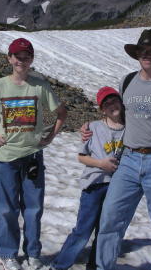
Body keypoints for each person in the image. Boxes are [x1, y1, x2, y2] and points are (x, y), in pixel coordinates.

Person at [82, 29, 151, 270]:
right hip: (129, 160)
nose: (149, 55)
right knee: (110, 218)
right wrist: (91, 128)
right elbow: (122, 118)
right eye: (143, 51)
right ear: (137, 55)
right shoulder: (127, 82)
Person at [0, 38, 67, 270]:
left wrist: (50, 136)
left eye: (26, 56)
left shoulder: (40, 86)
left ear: (31, 59)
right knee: (6, 209)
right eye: (17, 56)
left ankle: (33, 253)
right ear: (9, 58)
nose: (21, 60)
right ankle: (7, 254)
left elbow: (61, 113)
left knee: (33, 209)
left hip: (33, 155)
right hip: (6, 157)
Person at [51, 87, 125, 270]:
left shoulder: (130, 130)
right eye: (106, 104)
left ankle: (94, 266)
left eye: (114, 101)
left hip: (116, 188)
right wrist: (101, 164)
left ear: (121, 102)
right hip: (94, 185)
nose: (111, 106)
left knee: (105, 231)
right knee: (83, 230)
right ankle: (60, 265)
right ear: (102, 109)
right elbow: (81, 157)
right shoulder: (93, 128)